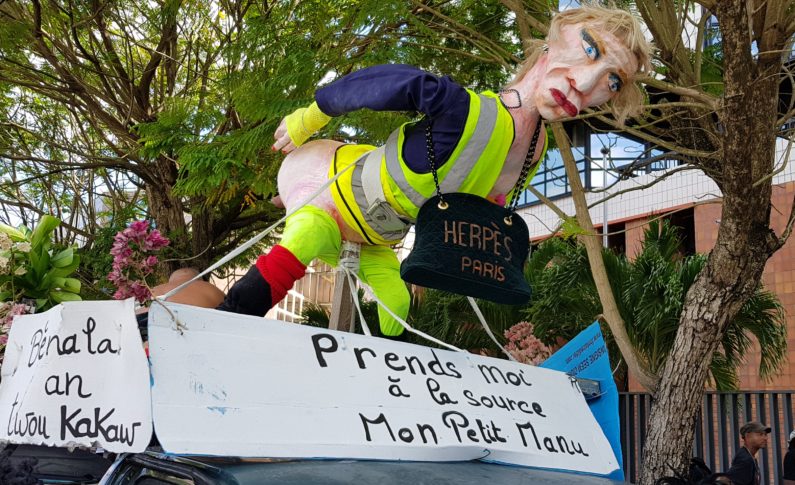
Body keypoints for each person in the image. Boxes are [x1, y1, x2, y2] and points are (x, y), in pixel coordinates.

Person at [217, 3, 652, 338]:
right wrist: (310, 116)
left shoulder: (534, 150)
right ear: (555, 39)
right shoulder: (466, 110)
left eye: (612, 82)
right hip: (328, 187)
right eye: (589, 48)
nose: (589, 81)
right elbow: (392, 82)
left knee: (396, 303)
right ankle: (227, 326)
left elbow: (478, 201)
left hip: (379, 238)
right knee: (309, 235)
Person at [726, 421, 770, 485]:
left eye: (765, 434)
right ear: (747, 436)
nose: (765, 438)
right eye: (760, 434)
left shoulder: (750, 456)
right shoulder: (745, 460)